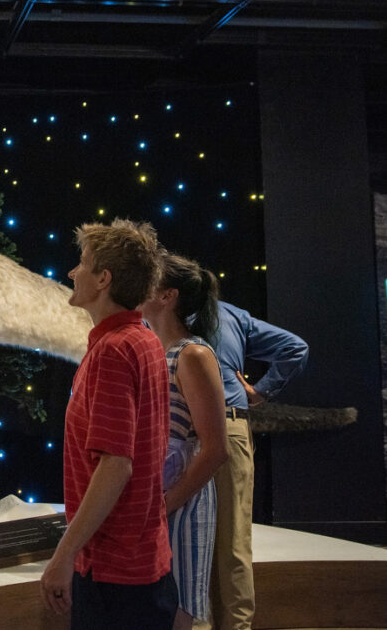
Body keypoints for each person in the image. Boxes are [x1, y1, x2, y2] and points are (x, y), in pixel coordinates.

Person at [39, 219, 177, 630]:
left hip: (114, 576)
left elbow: (116, 466)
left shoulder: (114, 352)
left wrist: (63, 557)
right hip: (142, 565)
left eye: (81, 263)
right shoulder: (144, 339)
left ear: (103, 278)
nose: (71, 272)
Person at [206, 301, 309, 630]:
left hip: (188, 430)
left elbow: (295, 348)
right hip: (228, 424)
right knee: (232, 541)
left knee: (191, 541)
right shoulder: (230, 313)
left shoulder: (157, 312)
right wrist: (261, 392)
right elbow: (295, 348)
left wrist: (261, 391)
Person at [140, 254, 229, 630]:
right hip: (151, 498)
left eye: (147, 281)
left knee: (176, 607)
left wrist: (165, 506)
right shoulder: (150, 350)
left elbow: (214, 449)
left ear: (167, 296)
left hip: (181, 502)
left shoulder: (192, 355)